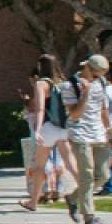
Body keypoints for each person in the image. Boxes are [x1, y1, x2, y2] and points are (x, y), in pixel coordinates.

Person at [64, 55, 112, 224]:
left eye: (101, 75)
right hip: (79, 133)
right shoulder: (70, 85)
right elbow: (75, 114)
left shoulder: (100, 82)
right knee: (86, 175)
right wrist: (85, 93)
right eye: (95, 75)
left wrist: (110, 131)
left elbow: (102, 109)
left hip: (99, 133)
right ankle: (89, 216)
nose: (97, 78)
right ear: (87, 67)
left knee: (103, 176)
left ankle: (72, 198)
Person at [21, 55, 78, 212]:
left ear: (41, 66)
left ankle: (33, 201)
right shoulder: (61, 82)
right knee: (70, 163)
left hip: (48, 127)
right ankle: (85, 192)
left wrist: (37, 128)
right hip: (63, 127)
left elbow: (39, 108)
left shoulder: (41, 83)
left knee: (39, 166)